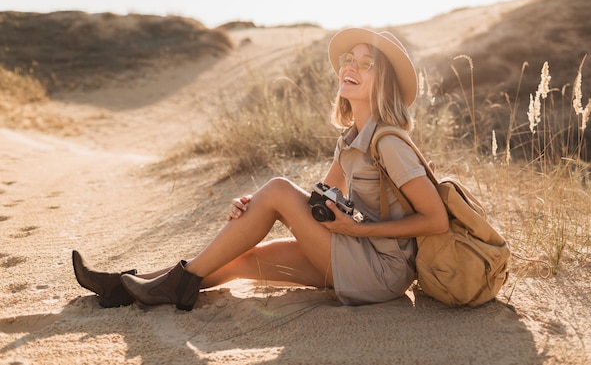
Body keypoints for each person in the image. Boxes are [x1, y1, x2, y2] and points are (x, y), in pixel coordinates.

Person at [72, 28, 449, 310]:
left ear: (383, 82)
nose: (350, 66)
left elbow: (435, 221)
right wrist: (257, 207)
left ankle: (167, 285)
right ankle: (125, 285)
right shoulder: (351, 139)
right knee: (242, 261)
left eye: (366, 64)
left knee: (278, 189)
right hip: (356, 251)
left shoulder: (389, 143)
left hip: (381, 271)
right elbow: (318, 197)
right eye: (349, 58)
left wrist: (357, 227)